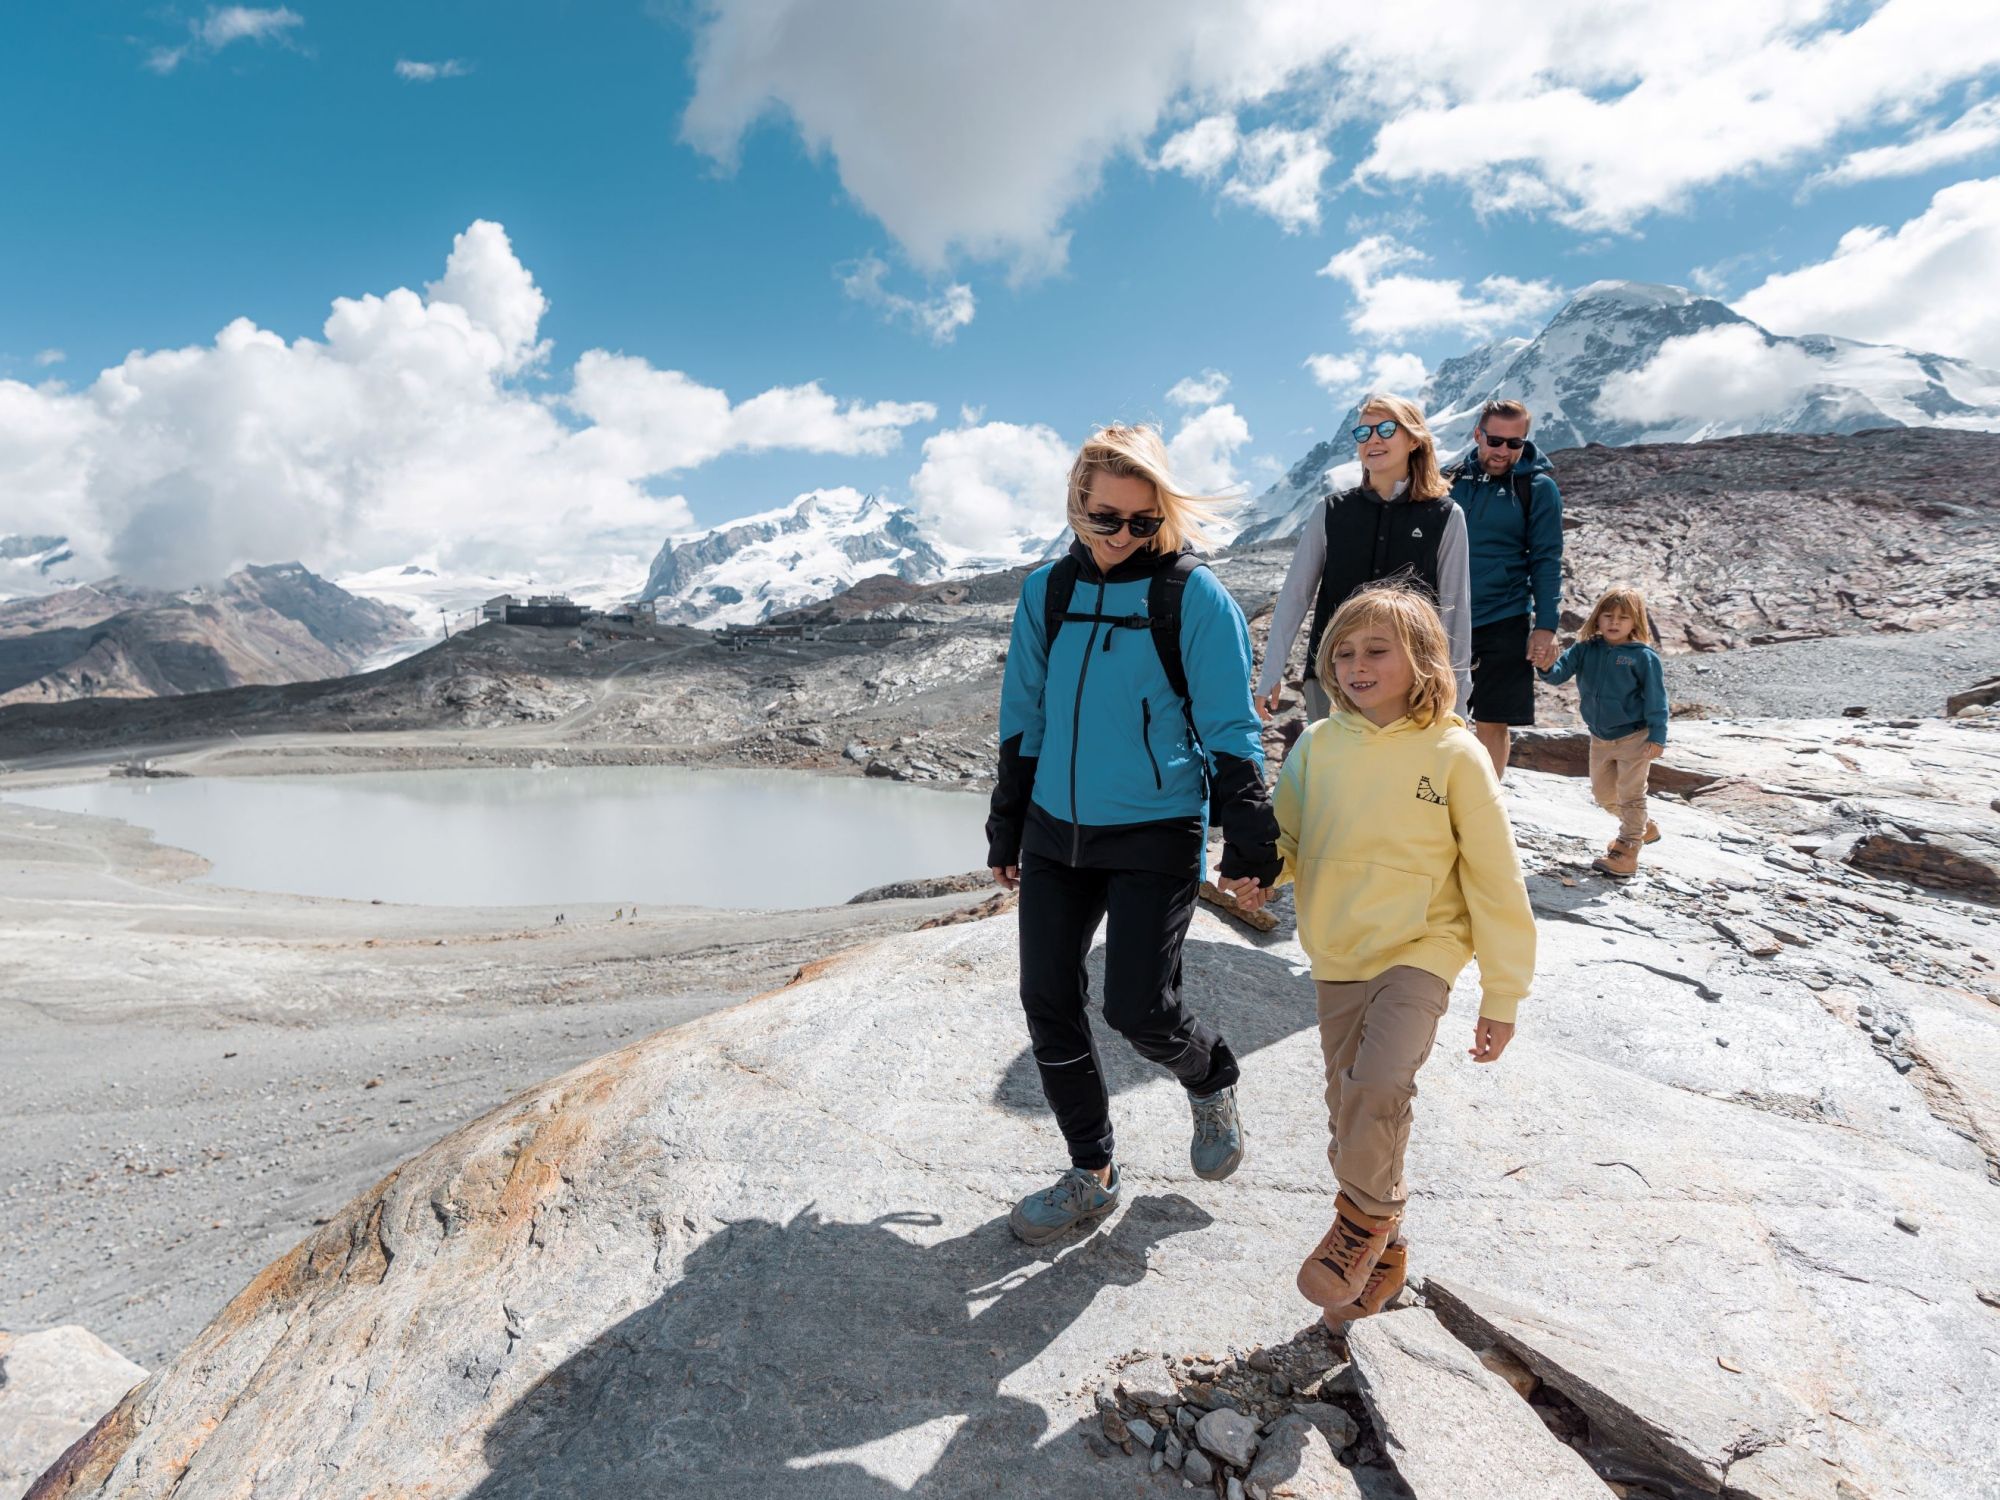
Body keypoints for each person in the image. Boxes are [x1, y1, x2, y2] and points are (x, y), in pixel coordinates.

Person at [986, 424, 1281, 1246]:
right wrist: (1008, 821)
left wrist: (1249, 830)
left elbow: (1229, 722)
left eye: (1142, 522)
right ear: (1077, 505)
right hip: (1056, 829)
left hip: (1155, 825)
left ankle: (1210, 1075)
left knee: (1140, 1009)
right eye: (1105, 518)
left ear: (1164, 516)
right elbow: (1023, 713)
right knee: (1047, 999)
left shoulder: (1192, 595)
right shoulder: (1047, 591)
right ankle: (1092, 1172)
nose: (1121, 536)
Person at [1265, 583, 1534, 1325]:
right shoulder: (1318, 746)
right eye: (1343, 653)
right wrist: (1254, 871)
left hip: (1424, 946)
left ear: (1422, 659)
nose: (1356, 665)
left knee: (1380, 1084)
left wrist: (1503, 994)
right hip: (1337, 951)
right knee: (1348, 1113)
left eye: (1376, 651)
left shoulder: (1455, 752)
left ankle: (1361, 1224)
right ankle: (1386, 1250)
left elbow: (1496, 877)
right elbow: (1285, 842)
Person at [1256, 393, 1472, 724]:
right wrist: (1271, 671)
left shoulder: (1445, 516)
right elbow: (1295, 596)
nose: (1373, 439)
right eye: (1363, 432)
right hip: (1331, 680)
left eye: (1386, 429)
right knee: (1332, 760)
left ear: (1414, 440)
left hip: (1413, 683)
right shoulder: (1329, 511)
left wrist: (1456, 700)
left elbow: (1455, 612)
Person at [1444, 399, 1566, 779]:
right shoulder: (1448, 482)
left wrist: (1545, 626)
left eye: (1515, 443)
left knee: (1493, 720)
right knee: (1436, 715)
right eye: (1495, 441)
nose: (1503, 451)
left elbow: (1546, 559)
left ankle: (1487, 801)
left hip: (1505, 617)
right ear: (1477, 435)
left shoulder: (1538, 488)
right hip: (1444, 619)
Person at [1537, 586, 1668, 880]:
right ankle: (1643, 827)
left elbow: (1657, 699)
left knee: (1631, 796)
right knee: (1603, 795)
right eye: (1608, 616)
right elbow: (1558, 674)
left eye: (1623, 617)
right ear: (1597, 618)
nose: (1614, 622)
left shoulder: (1643, 657)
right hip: (1600, 737)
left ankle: (1627, 851)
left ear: (1635, 622)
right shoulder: (1585, 649)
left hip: (1635, 737)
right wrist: (1546, 667)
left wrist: (1658, 735)